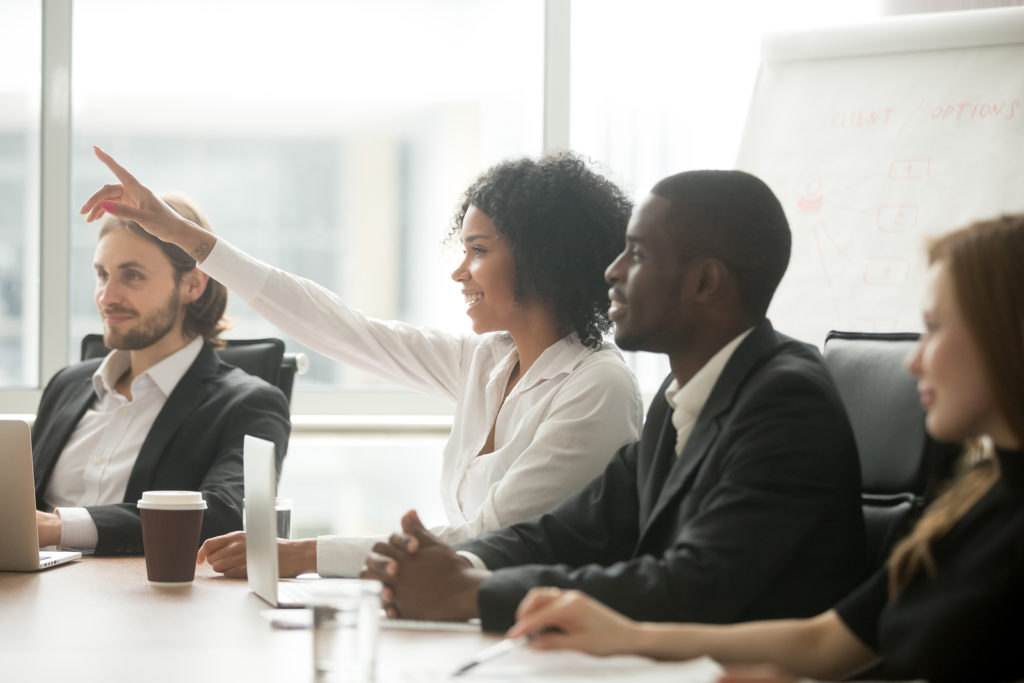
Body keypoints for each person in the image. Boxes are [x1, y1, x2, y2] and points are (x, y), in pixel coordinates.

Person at [505, 214, 1024, 683]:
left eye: (935, 329)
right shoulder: (971, 501)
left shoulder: (784, 398)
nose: (914, 361)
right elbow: (825, 642)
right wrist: (624, 635)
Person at [80, 146, 643, 577]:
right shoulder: (488, 361)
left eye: (479, 251)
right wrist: (182, 235)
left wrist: (304, 554)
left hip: (541, 637)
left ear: (544, 260)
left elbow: (492, 539)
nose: (459, 272)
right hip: (469, 616)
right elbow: (340, 328)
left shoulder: (596, 386)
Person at [360, 169, 866, 632]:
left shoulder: (785, 402)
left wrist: (476, 592)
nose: (612, 271)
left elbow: (691, 585)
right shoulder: (679, 402)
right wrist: (458, 564)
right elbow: (569, 532)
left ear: (706, 281)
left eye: (638, 255)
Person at [34, 194, 291, 556]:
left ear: (193, 285)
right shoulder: (68, 385)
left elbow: (224, 514)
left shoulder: (249, 404)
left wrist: (59, 528)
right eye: (102, 275)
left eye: (132, 275)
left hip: (143, 598)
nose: (107, 296)